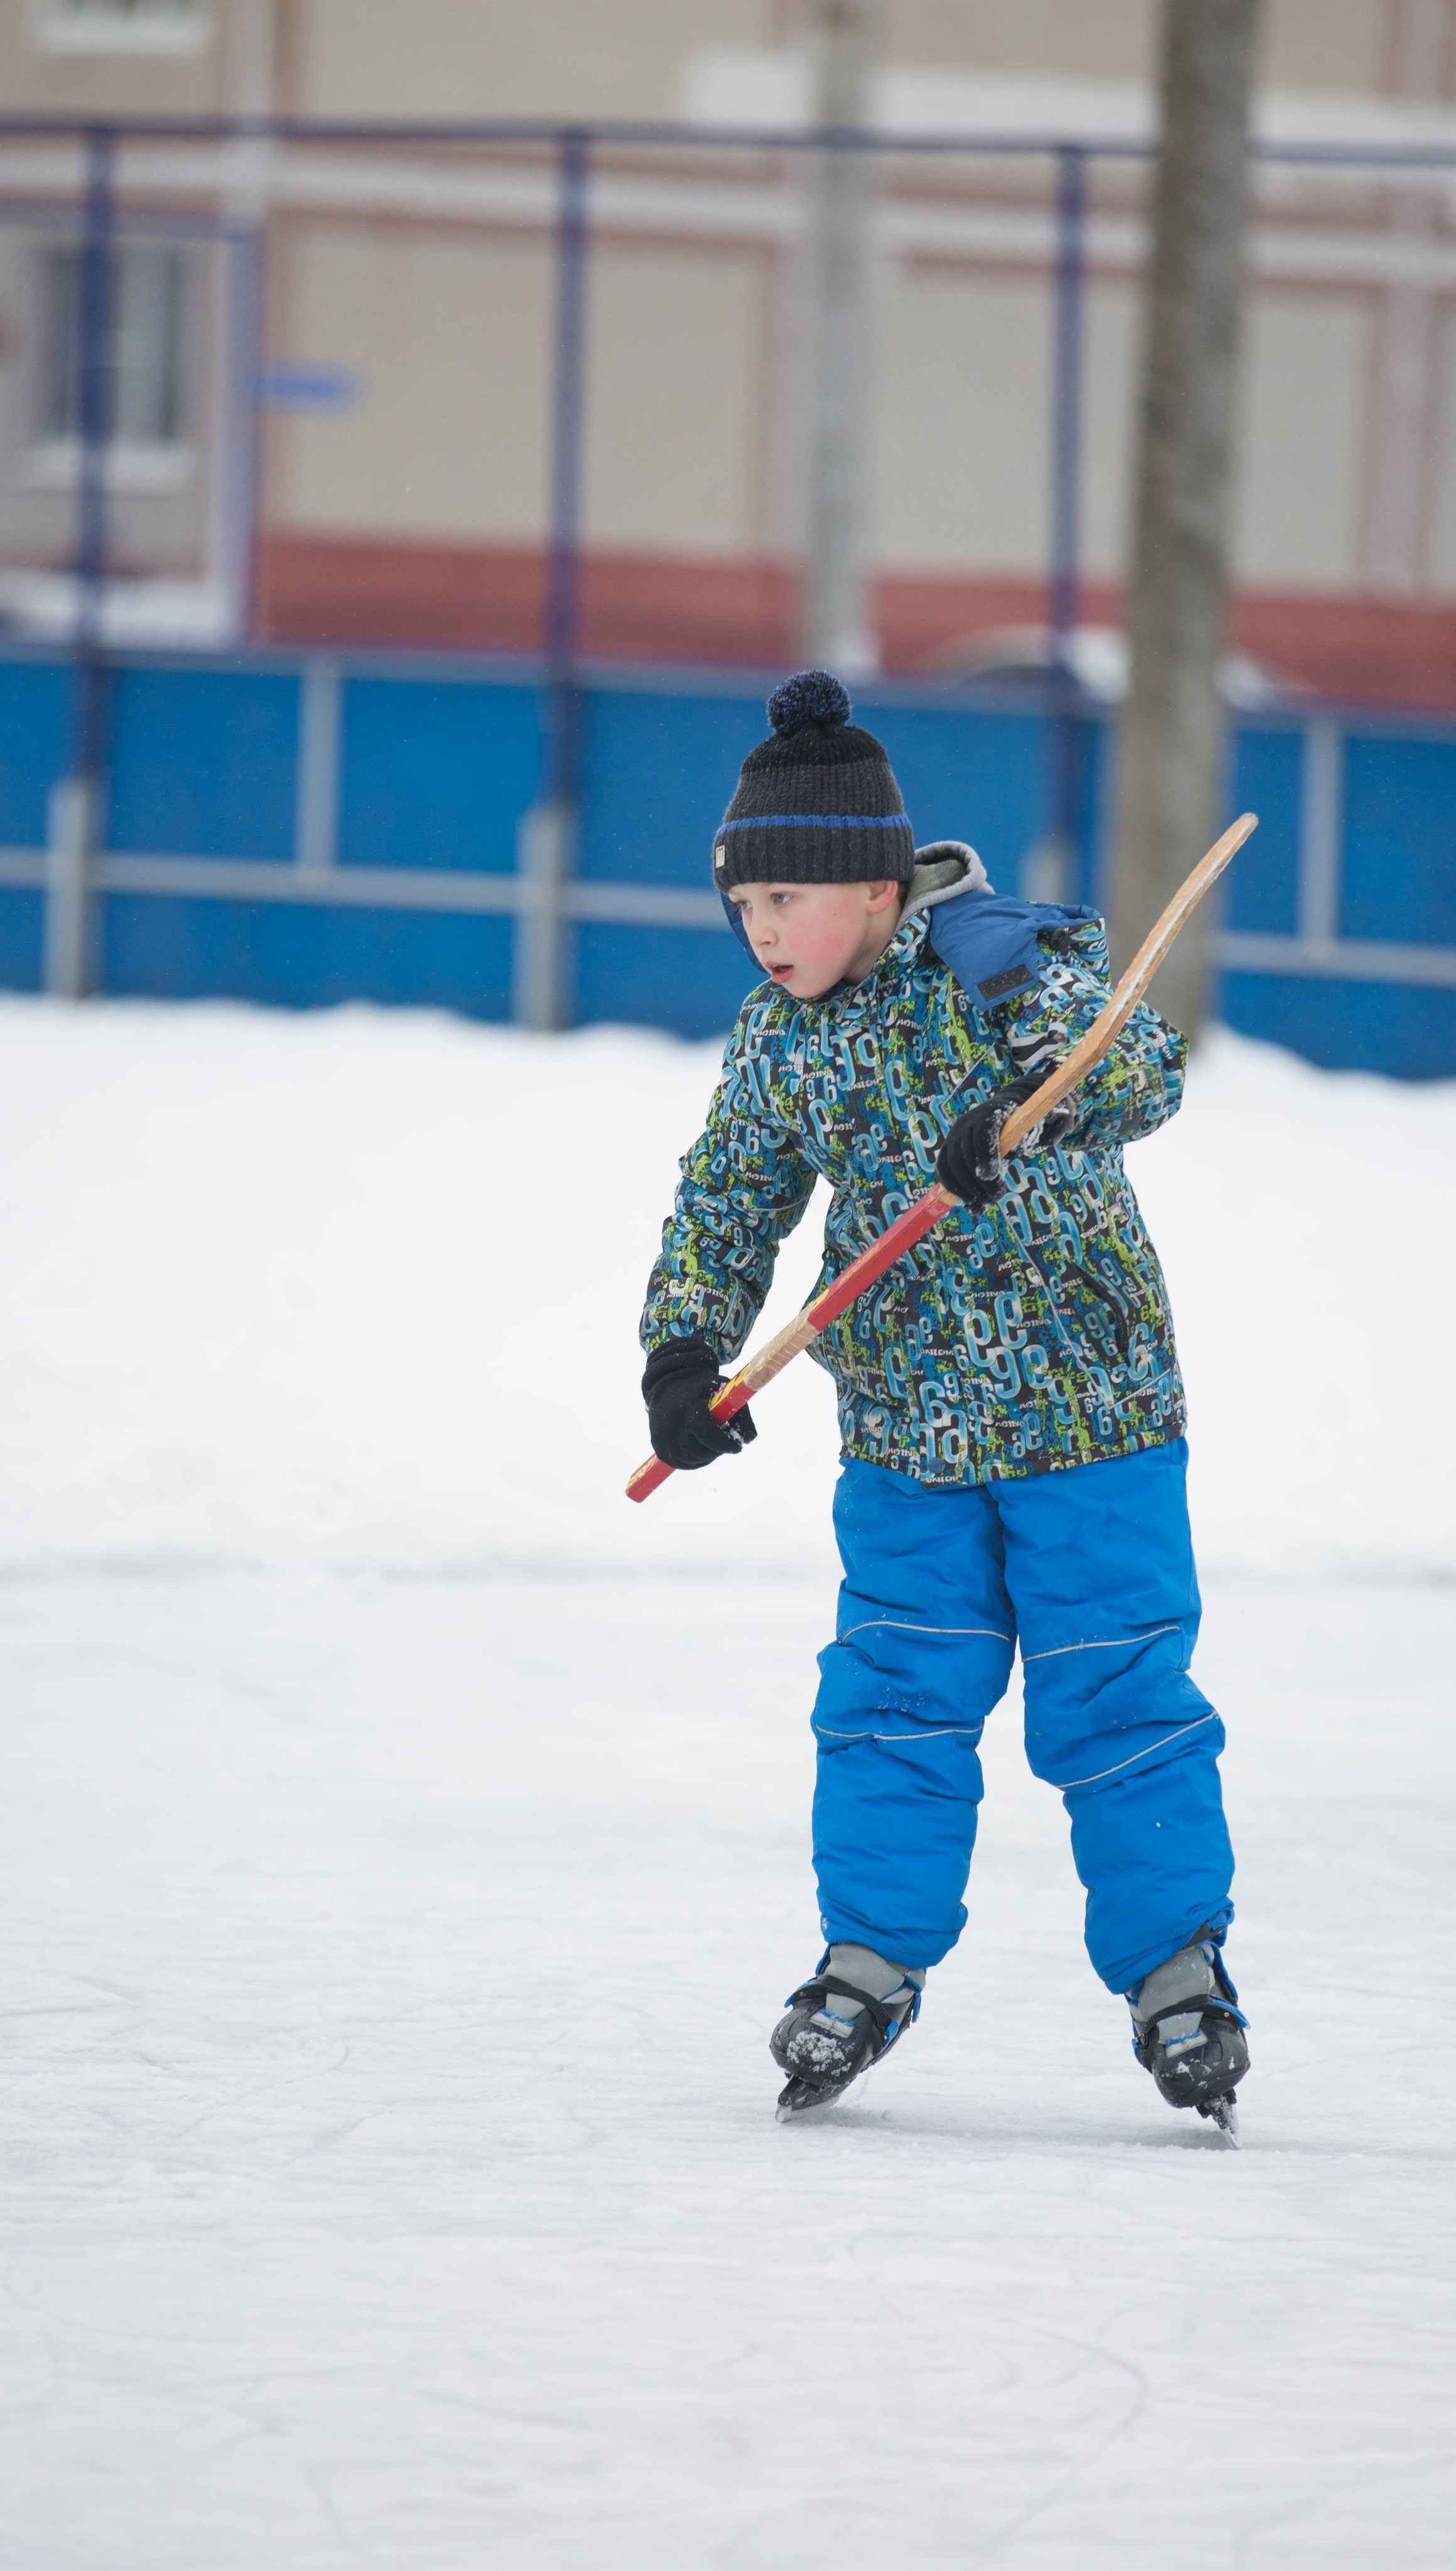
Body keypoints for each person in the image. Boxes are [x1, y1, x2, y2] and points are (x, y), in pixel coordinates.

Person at [638, 669, 1248, 2134]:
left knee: (1118, 1701)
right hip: (906, 1434)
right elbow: (728, 1198)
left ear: (869, 879)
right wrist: (683, 1358)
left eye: (786, 899)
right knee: (893, 1700)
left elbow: (1141, 1071)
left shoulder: (997, 955)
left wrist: (1023, 1096)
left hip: (1091, 1418)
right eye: (744, 907)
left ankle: (1177, 1969)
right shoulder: (780, 1038)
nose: (763, 930)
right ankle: (868, 1959)